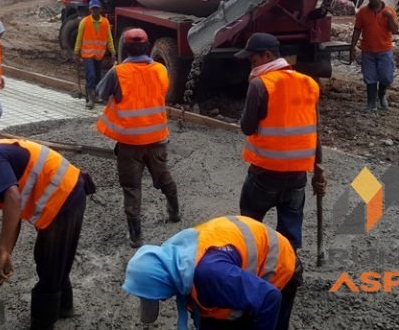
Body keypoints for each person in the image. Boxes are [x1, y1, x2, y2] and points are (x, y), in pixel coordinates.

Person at [0, 138, 93, 330]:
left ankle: (43, 323)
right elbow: (12, 213)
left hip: (64, 196)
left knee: (49, 263)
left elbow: (13, 198)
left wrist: (3, 251)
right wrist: (5, 253)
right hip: (67, 193)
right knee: (56, 258)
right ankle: (64, 307)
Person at [123, 215, 302, 330]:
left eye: (158, 296)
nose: (162, 300)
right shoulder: (175, 259)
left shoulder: (209, 274)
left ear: (162, 282)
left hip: (280, 268)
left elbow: (270, 298)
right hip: (236, 266)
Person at [235, 32, 325, 251]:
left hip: (265, 174)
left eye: (253, 60)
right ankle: (289, 273)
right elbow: (315, 130)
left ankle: (253, 266)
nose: (251, 65)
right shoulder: (309, 83)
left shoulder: (260, 85)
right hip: (297, 176)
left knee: (250, 224)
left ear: (266, 56)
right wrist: (319, 169)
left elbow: (247, 127)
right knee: (290, 232)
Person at [96, 28, 179, 248]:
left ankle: (136, 236)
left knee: (132, 188)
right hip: (157, 139)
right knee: (163, 177)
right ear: (146, 46)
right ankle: (175, 211)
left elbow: (100, 93)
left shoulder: (118, 73)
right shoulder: (160, 70)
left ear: (125, 47)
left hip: (130, 143)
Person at [349, 0, 399, 111]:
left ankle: (382, 95)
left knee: (386, 76)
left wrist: (389, 18)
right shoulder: (362, 12)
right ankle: (371, 102)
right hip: (368, 50)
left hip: (384, 50)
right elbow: (357, 29)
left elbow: (395, 30)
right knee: (370, 77)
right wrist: (352, 47)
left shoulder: (389, 12)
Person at [73, 0, 115, 108]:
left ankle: (94, 96)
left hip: (99, 55)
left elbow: (109, 38)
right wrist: (76, 52)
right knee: (90, 75)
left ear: (100, 9)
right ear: (90, 10)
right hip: (87, 55)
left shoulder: (105, 22)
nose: (95, 11)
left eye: (97, 8)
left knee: (97, 76)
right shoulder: (84, 22)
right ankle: (91, 99)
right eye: (93, 9)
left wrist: (113, 51)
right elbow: (79, 38)